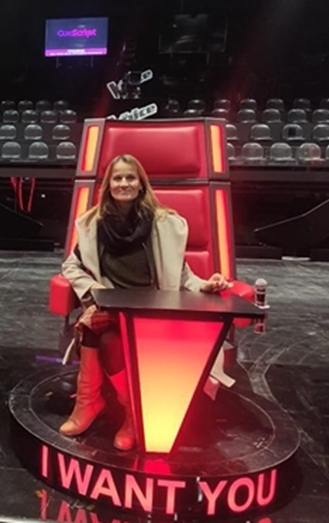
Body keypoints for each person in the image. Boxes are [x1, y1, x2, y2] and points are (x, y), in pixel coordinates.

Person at [59, 153, 233, 449]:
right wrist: (96, 292)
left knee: (105, 333)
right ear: (108, 185)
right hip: (115, 308)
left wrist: (206, 285)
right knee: (98, 331)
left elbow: (182, 275)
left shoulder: (166, 224)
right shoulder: (92, 225)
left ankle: (131, 414)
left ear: (141, 184)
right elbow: (71, 266)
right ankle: (96, 404)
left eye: (130, 177)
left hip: (153, 312)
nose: (124, 183)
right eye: (117, 178)